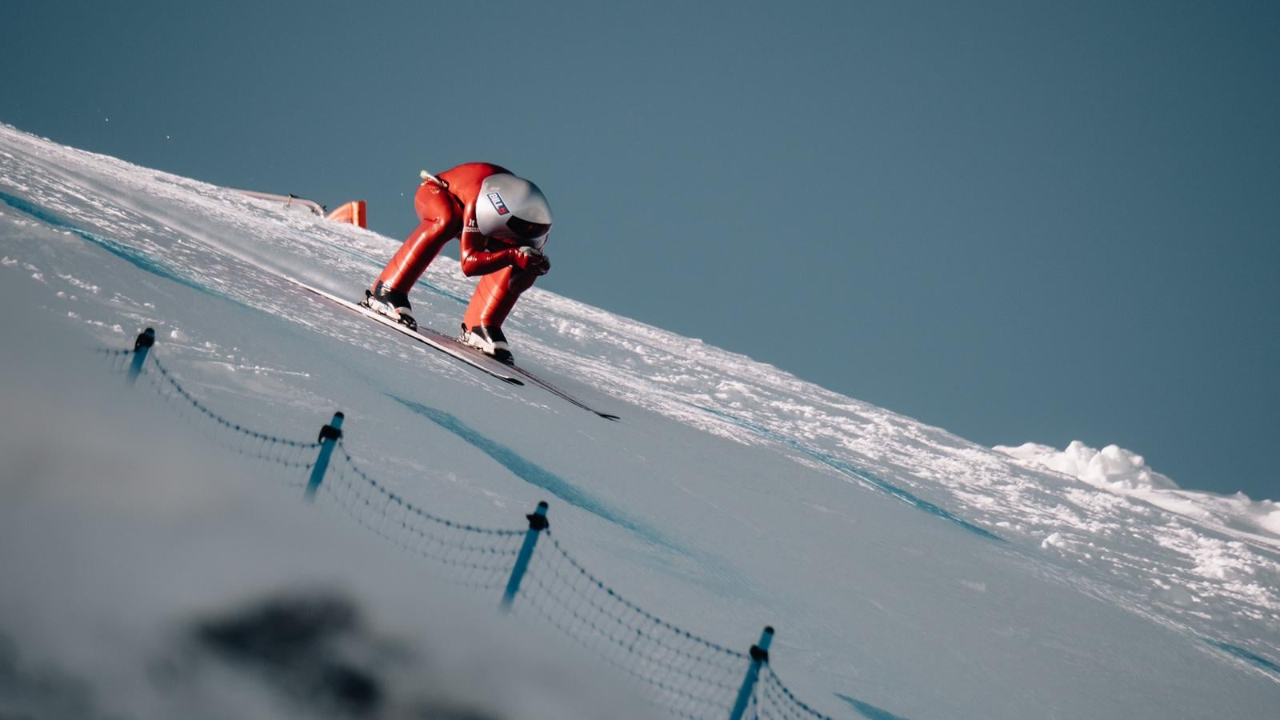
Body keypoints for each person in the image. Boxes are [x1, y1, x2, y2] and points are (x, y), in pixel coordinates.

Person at [365, 162, 552, 364]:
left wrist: (530, 271)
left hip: (485, 211)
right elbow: (469, 264)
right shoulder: (480, 196)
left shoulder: (530, 227)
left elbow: (515, 283)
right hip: (438, 192)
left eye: (535, 230)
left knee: (519, 255)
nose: (529, 232)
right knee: (448, 219)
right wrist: (513, 256)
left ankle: (481, 325)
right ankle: (386, 290)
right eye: (523, 227)